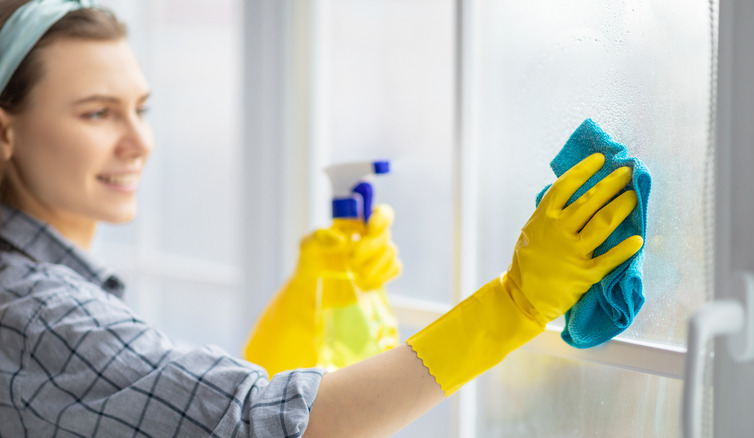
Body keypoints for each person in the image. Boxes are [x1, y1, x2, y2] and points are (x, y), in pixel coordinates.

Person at [0, 1, 643, 437]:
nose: (139, 142)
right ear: (7, 134)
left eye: (141, 107)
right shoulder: (35, 312)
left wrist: (298, 316)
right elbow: (262, 425)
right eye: (96, 113)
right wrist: (512, 305)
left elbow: (166, 414)